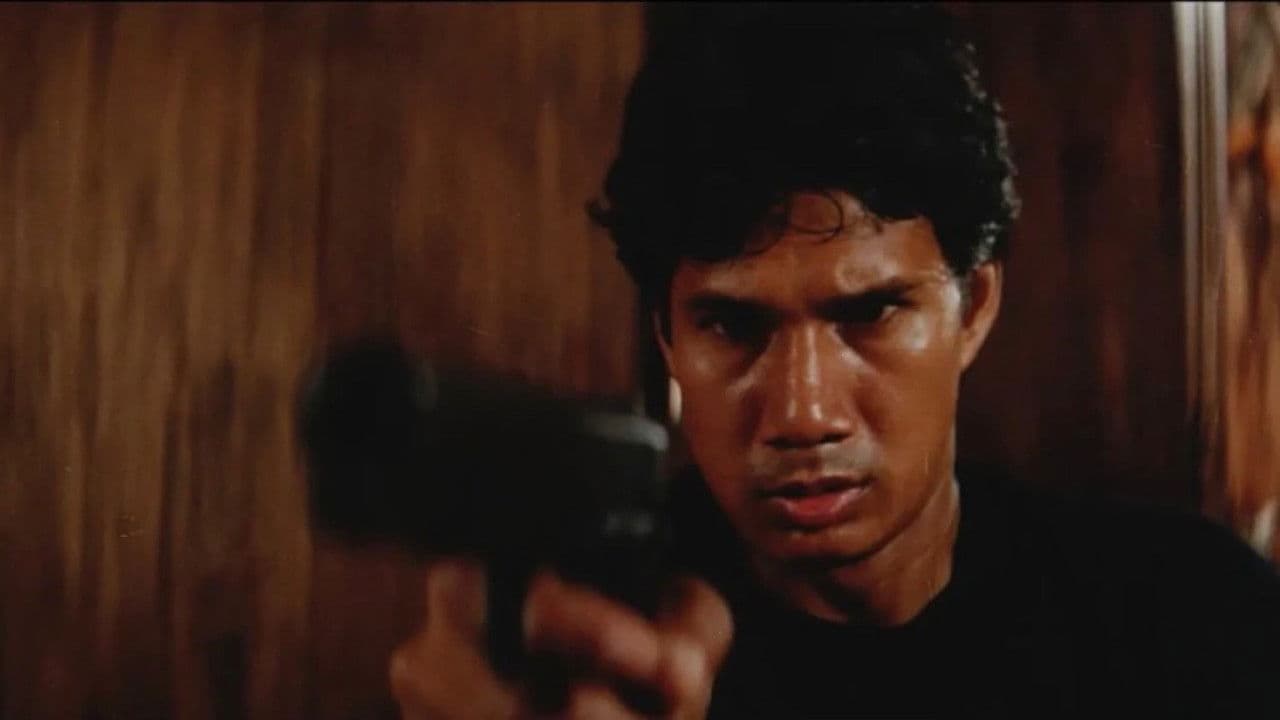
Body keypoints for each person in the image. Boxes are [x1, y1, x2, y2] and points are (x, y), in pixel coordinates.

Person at [388, 5, 1280, 717]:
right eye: (731, 326)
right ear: (666, 335)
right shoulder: (595, 655)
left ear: (973, 308)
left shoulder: (1190, 621)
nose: (804, 413)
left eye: (871, 313)